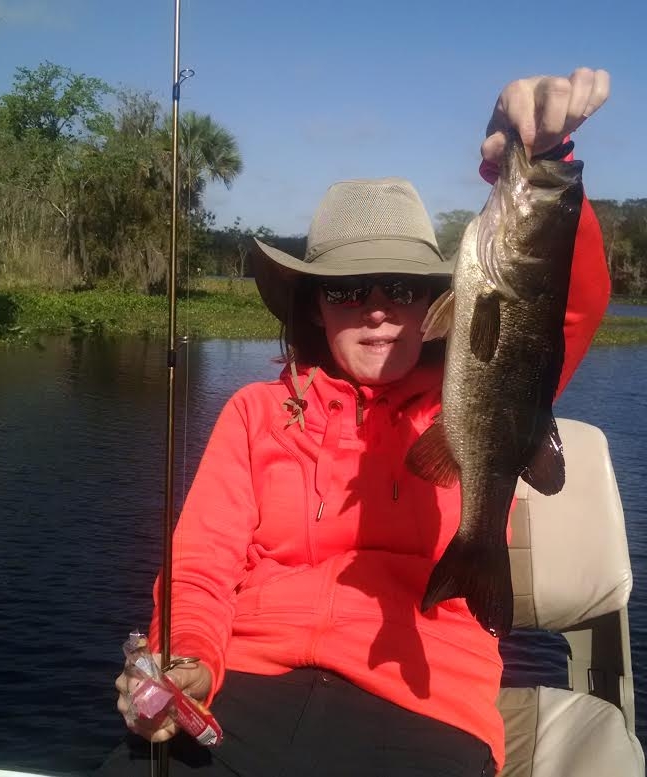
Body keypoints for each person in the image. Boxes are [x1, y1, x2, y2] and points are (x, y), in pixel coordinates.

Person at [98, 68, 612, 776]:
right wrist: (189, 656)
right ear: (314, 306)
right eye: (346, 290)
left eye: (400, 288)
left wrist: (540, 161)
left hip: (423, 698)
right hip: (244, 684)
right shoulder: (254, 412)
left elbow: (560, 303)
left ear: (438, 298)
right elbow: (201, 562)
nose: (376, 308)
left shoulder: (470, 395)